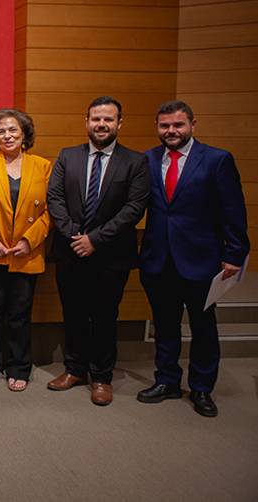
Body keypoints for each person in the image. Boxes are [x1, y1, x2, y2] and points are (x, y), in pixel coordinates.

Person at [137, 100, 249, 417]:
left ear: (192, 125)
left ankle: (201, 387)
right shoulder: (147, 159)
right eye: (165, 126)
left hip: (201, 260)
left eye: (178, 125)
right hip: (158, 259)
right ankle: (167, 380)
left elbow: (233, 211)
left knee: (202, 327)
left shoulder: (216, 160)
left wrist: (235, 253)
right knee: (165, 325)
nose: (171, 131)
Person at [46, 96, 149, 406]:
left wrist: (95, 239)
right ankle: (74, 369)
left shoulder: (135, 162)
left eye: (108, 119)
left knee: (105, 316)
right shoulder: (68, 156)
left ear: (119, 123)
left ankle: (101, 377)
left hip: (111, 256)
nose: (101, 124)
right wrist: (75, 236)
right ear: (86, 122)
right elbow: (55, 198)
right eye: (96, 119)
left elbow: (134, 208)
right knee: (74, 313)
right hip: (70, 251)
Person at [0, 109, 51, 392]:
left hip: (25, 254)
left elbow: (49, 211)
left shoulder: (42, 166)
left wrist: (29, 240)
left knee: (20, 314)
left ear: (24, 136)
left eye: (13, 131)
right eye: (1, 131)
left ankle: (20, 366)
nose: (7, 135)